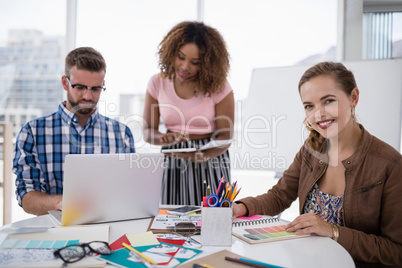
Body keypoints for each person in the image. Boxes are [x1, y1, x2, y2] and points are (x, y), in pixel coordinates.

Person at [233, 62, 402, 267]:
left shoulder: (391, 164)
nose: (319, 115)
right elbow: (279, 196)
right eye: (309, 106)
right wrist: (240, 207)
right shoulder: (311, 150)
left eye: (328, 101)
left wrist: (334, 232)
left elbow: (396, 251)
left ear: (353, 98)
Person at [13, 47, 135, 216]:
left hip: (109, 227)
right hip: (54, 233)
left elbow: (130, 191)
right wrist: (63, 203)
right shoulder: (33, 132)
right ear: (65, 83)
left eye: (95, 89)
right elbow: (26, 198)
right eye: (80, 87)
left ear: (103, 85)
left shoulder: (122, 134)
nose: (87, 96)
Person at [143, 21, 234, 205]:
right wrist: (163, 138)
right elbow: (147, 131)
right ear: (171, 53)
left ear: (208, 64)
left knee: (210, 220)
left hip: (211, 155)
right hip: (172, 156)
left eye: (195, 62)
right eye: (181, 57)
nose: (185, 67)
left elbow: (226, 135)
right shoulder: (157, 82)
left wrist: (203, 155)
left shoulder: (219, 86)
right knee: (170, 219)